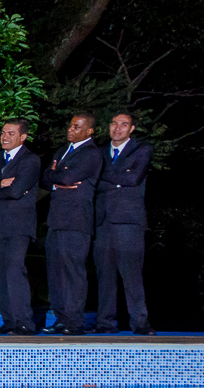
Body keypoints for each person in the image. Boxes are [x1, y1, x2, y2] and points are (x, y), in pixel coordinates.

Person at [41, 113, 103, 335]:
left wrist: (58, 176)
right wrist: (57, 176)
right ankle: (61, 317)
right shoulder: (63, 150)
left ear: (89, 131)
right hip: (56, 220)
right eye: (70, 126)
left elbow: (66, 178)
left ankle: (75, 322)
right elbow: (47, 178)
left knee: (73, 272)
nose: (71, 129)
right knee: (55, 272)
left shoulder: (90, 154)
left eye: (77, 127)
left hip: (76, 221)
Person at [0, 118, 42, 336]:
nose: (4, 137)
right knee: (0, 273)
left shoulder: (30, 160)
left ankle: (24, 322)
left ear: (23, 137)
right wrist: (0, 184)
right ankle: (9, 321)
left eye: (11, 134)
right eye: (3, 133)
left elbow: (16, 191)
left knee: (15, 270)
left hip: (18, 224)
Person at [94, 112, 154, 335]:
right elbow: (95, 181)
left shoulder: (142, 149)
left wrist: (105, 178)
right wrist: (118, 180)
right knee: (104, 274)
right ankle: (105, 323)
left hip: (129, 221)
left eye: (123, 125)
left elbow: (133, 179)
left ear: (131, 128)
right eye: (114, 124)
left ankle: (140, 323)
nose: (117, 128)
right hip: (102, 221)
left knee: (131, 273)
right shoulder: (99, 152)